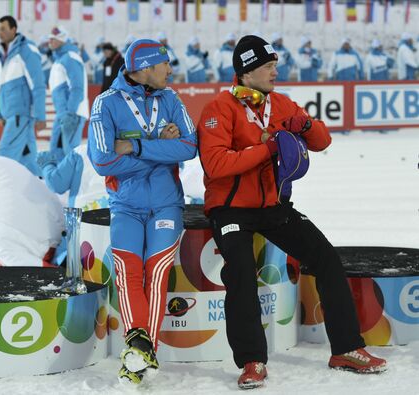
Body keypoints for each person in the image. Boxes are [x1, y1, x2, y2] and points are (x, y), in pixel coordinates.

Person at [197, 35, 387, 390]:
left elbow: (323, 141)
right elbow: (216, 164)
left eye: (274, 65)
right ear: (247, 71)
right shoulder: (218, 109)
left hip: (274, 207)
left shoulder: (281, 104)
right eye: (268, 67)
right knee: (240, 273)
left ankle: (347, 348)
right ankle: (252, 361)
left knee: (327, 258)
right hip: (230, 208)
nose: (275, 72)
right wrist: (267, 148)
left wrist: (305, 126)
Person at [87, 38, 197, 384]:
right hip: (126, 206)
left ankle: (137, 347)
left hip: (167, 203)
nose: (170, 70)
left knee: (157, 268)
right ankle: (141, 349)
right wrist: (162, 147)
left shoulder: (171, 98)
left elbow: (190, 147)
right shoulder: (105, 103)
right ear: (147, 68)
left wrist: (135, 146)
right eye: (165, 65)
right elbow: (103, 160)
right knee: (128, 270)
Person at [0, 15, 46, 176]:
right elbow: (1, 87)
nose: (0, 32)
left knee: (5, 155)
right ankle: (40, 187)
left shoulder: (26, 50)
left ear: (13, 29)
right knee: (28, 160)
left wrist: (40, 115)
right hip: (10, 114)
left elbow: (38, 85)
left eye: (3, 29)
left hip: (21, 115)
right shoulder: (2, 53)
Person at [48, 26, 88, 161]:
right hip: (62, 114)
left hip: (72, 114)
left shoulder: (70, 58)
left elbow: (77, 88)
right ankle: (60, 182)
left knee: (69, 155)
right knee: (56, 154)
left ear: (63, 39)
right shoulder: (59, 59)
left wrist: (70, 113)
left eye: (54, 38)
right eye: (49, 38)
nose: (50, 41)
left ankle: (75, 182)